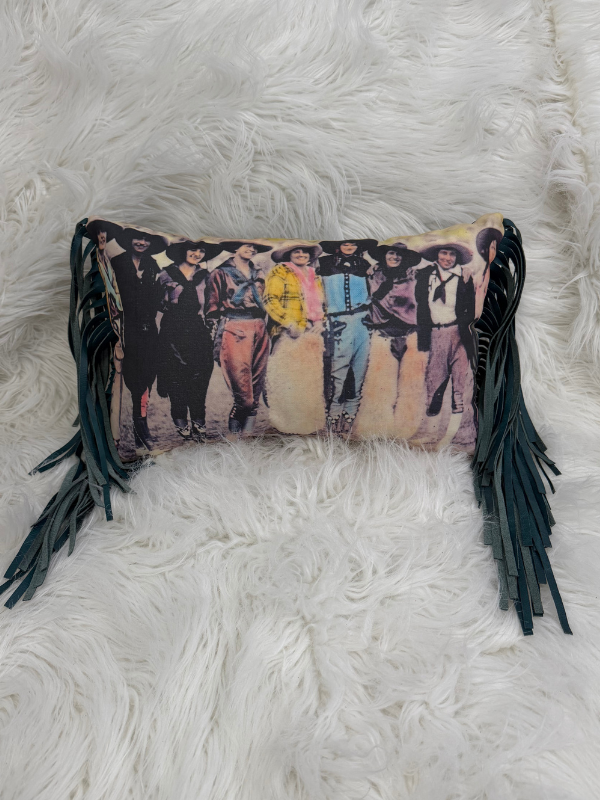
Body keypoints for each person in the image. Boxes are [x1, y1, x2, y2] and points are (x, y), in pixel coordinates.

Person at [156, 239, 222, 442]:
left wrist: (211, 326)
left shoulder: (207, 277)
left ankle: (199, 419)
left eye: (201, 251)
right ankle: (179, 416)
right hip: (172, 331)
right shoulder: (165, 275)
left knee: (200, 376)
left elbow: (213, 304)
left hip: (198, 331)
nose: (197, 254)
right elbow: (157, 303)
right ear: (183, 251)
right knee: (175, 375)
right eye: (193, 249)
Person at [204, 240, 272, 434]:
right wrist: (216, 334)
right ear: (235, 247)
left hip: (259, 326)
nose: (251, 249)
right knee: (244, 396)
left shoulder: (258, 273)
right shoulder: (220, 273)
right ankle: (234, 436)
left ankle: (247, 437)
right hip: (234, 326)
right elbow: (212, 308)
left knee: (256, 386)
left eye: (254, 247)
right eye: (247, 245)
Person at [110, 227, 167, 450]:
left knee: (148, 375)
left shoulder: (152, 265)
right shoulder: (117, 263)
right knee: (134, 379)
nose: (142, 242)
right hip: (125, 329)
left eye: (146, 239)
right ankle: (140, 432)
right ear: (129, 240)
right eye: (138, 238)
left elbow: (157, 299)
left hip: (149, 330)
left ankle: (140, 430)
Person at [317, 237, 378, 434]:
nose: (349, 247)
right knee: (338, 369)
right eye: (345, 243)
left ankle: (350, 415)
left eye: (353, 244)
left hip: (362, 320)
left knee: (359, 366)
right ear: (337, 246)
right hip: (337, 320)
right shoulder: (324, 264)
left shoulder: (364, 265)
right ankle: (333, 413)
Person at [414, 242, 475, 419]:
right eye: (444, 253)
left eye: (452, 254)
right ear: (436, 255)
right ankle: (433, 402)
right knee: (436, 368)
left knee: (459, 366)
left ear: (457, 258)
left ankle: (458, 400)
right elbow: (419, 301)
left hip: (457, 329)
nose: (447, 258)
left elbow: (470, 306)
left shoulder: (463, 277)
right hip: (436, 331)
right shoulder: (425, 275)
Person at [364, 242, 422, 373]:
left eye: (399, 254)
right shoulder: (374, 274)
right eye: (391, 253)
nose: (395, 257)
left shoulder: (412, 275)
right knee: (382, 373)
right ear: (384, 255)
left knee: (408, 374)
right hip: (381, 331)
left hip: (407, 332)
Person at [263, 244, 325, 346]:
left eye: (305, 252)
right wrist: (289, 323)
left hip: (312, 330)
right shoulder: (281, 271)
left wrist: (319, 321)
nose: (301, 255)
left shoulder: (314, 275)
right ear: (289, 255)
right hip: (288, 331)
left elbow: (322, 302)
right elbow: (270, 299)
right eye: (297, 252)